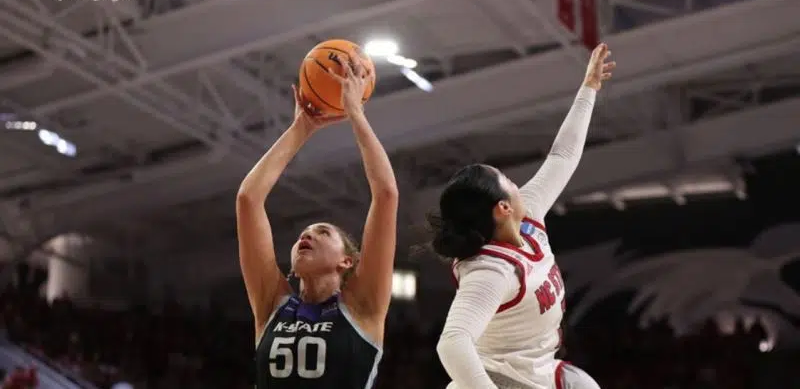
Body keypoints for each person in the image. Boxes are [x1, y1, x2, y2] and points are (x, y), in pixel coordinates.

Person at [431, 43, 616, 389]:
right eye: (508, 180)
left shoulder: (527, 216)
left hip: (543, 370)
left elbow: (562, 155)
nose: (519, 184)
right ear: (502, 208)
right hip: (499, 379)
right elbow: (452, 342)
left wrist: (588, 89)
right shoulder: (489, 271)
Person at [236, 55, 398, 389]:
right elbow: (248, 201)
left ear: (346, 261)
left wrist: (355, 112)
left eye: (322, 232)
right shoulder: (272, 303)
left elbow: (386, 195)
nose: (306, 237)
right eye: (302, 235)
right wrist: (300, 129)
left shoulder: (363, 306)